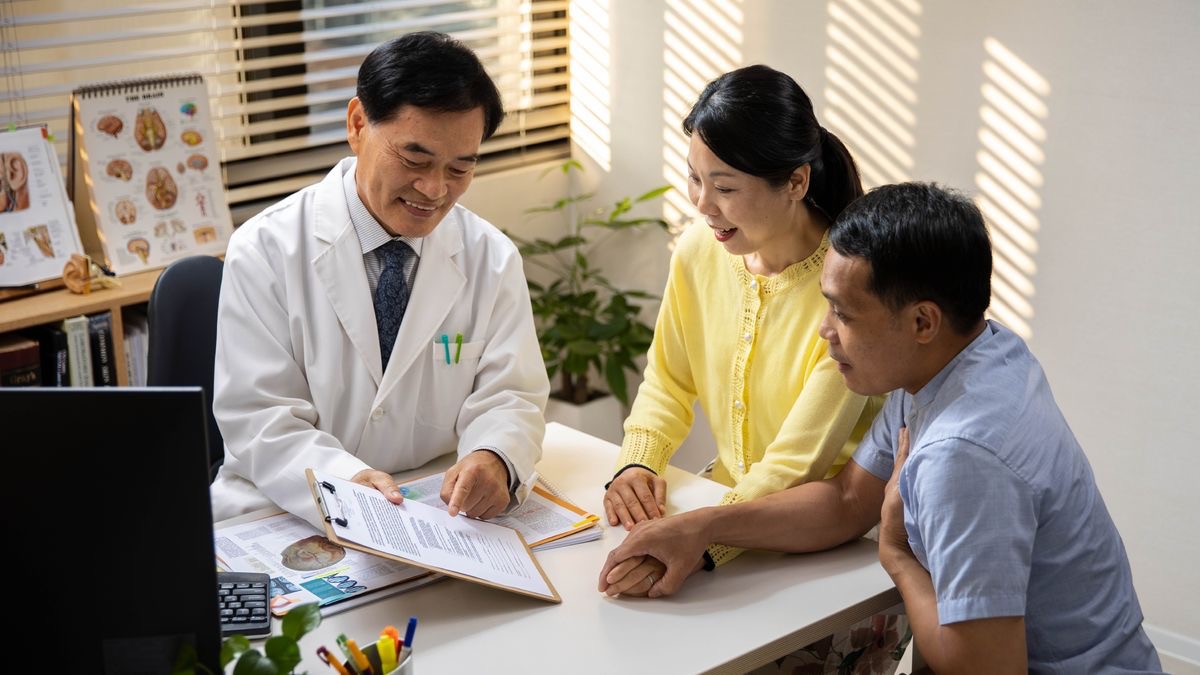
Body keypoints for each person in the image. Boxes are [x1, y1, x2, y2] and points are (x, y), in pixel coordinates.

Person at [600, 183, 1162, 672]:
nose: (825, 332)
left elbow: (988, 668)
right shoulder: (972, 358)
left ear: (922, 321)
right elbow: (847, 500)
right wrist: (703, 528)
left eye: (843, 313)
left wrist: (896, 556)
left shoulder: (962, 455)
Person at [211, 32, 550, 528]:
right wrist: (346, 481)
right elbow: (261, 420)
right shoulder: (266, 249)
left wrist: (494, 455)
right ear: (357, 125)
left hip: (434, 509)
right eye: (414, 160)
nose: (434, 189)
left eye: (460, 168)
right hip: (285, 507)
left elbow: (511, 394)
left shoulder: (490, 257)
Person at [602, 64, 883, 572]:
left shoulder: (846, 291)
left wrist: (701, 540)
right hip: (724, 516)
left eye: (725, 188)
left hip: (823, 548)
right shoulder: (697, 251)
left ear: (796, 181)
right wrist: (638, 462)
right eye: (694, 178)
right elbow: (668, 381)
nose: (704, 205)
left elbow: (796, 465)